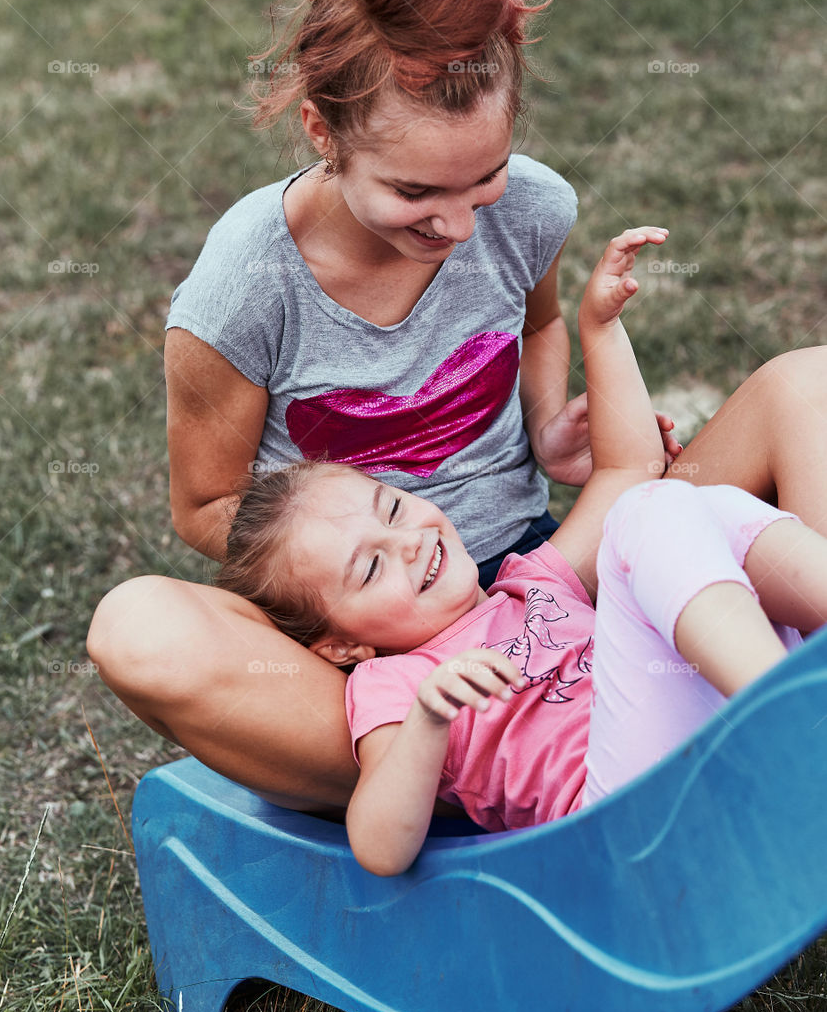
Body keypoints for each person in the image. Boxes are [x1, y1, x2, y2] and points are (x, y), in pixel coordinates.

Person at [214, 228, 827, 874]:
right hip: (629, 819)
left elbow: (630, 467)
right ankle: (789, 717)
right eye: (369, 567)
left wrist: (600, 328)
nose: (407, 543)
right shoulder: (395, 682)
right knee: (648, 513)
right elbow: (379, 849)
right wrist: (427, 720)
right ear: (341, 646)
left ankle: (790, 699)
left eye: (392, 508)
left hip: (704, 733)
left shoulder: (527, 583)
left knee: (703, 507)